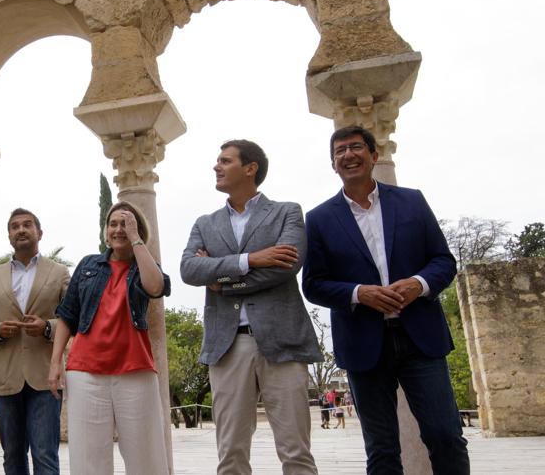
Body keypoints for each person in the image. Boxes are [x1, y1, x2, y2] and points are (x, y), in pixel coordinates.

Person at [302, 125, 470, 475]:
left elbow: (443, 261)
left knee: (446, 436)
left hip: (420, 338)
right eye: (339, 151)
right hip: (363, 345)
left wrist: (419, 284)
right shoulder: (318, 219)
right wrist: (358, 293)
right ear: (333, 164)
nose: (348, 155)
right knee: (381, 449)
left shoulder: (412, 201)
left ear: (374, 155)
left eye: (355, 147)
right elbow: (314, 285)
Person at [179, 139, 322, 475]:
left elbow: (286, 266)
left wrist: (223, 282)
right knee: (230, 453)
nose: (216, 166)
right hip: (227, 346)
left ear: (250, 168)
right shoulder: (204, 223)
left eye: (225, 160)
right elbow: (190, 269)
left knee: (296, 451)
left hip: (284, 341)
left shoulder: (287, 212)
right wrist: (251, 259)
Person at [47, 202, 170, 475]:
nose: (118, 229)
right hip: (85, 372)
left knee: (146, 458)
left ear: (138, 229)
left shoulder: (144, 266)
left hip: (135, 370)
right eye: (113, 224)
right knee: (88, 460)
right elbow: (67, 315)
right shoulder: (88, 265)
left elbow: (156, 286)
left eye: (126, 224)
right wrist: (56, 362)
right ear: (105, 231)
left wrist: (137, 240)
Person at [0, 208, 70, 475]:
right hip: (6, 379)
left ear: (39, 233)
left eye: (27, 225)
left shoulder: (59, 273)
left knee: (45, 456)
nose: (21, 229)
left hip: (46, 379)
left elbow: (75, 319)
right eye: (14, 226)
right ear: (9, 236)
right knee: (12, 458)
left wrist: (47, 327)